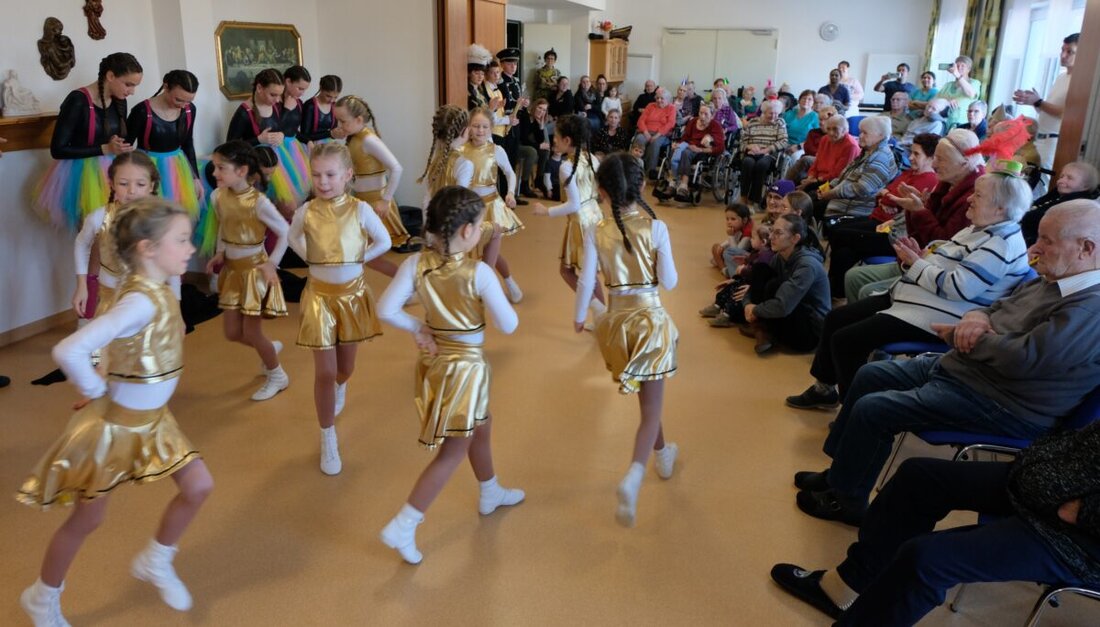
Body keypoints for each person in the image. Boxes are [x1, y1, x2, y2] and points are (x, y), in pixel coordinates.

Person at [793, 198, 1100, 525]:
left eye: (1047, 241)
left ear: (1086, 248)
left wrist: (968, 337)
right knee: (871, 374)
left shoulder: (1089, 307)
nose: (1035, 247)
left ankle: (847, 501)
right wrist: (975, 317)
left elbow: (1025, 358)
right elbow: (996, 306)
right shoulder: (1053, 279)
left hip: (1006, 403)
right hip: (973, 372)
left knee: (875, 408)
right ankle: (841, 474)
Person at [18, 197, 213, 625]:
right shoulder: (138, 301)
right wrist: (95, 387)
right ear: (147, 249)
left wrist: (106, 373)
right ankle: (41, 596)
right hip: (114, 428)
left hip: (154, 421)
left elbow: (115, 344)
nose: (190, 248)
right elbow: (69, 348)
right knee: (88, 520)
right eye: (180, 240)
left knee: (198, 486)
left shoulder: (152, 289)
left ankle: (156, 559)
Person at [773, 423, 1100, 626]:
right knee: (918, 477)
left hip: (1078, 539)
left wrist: (1083, 512)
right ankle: (848, 587)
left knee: (926, 561)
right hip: (1043, 483)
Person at [789, 164, 1032, 409]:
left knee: (846, 340)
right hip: (916, 299)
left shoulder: (1001, 244)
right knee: (836, 319)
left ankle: (854, 409)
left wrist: (916, 264)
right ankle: (824, 390)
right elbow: (942, 263)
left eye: (978, 195)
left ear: (1000, 208)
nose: (970, 198)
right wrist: (917, 260)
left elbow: (958, 287)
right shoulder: (980, 229)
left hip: (939, 315)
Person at [376, 186, 523, 565]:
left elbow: (385, 309)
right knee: (453, 450)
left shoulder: (415, 265)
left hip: (436, 363)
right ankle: (405, 522)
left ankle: (489, 490)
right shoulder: (480, 273)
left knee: (482, 423)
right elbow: (509, 325)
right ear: (467, 231)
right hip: (466, 367)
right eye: (478, 225)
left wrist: (419, 329)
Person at [575, 152, 680, 527]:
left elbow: (587, 282)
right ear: (643, 186)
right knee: (651, 407)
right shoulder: (656, 228)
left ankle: (664, 451)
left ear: (601, 191)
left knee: (647, 395)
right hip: (649, 322)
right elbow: (669, 283)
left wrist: (577, 318)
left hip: (616, 324)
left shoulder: (595, 230)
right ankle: (635, 473)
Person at [288, 143, 391, 475]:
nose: (323, 181)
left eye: (331, 174)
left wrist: (361, 258)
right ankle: (327, 435)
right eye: (316, 175)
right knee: (324, 372)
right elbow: (293, 238)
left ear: (348, 175)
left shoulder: (360, 210)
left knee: (345, 369)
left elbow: (384, 241)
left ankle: (341, 385)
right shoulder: (306, 212)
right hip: (318, 297)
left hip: (352, 296)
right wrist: (313, 257)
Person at [204, 140, 290, 402]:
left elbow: (285, 231)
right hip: (232, 270)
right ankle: (269, 349)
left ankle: (277, 375)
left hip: (255, 271)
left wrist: (271, 263)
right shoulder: (217, 196)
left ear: (241, 171)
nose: (214, 173)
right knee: (232, 333)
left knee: (252, 332)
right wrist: (220, 252)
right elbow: (223, 226)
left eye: (221, 168)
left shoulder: (259, 202)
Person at [34, 52, 143, 230]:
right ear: (110, 76)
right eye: (128, 84)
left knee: (114, 235)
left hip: (113, 173)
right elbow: (58, 149)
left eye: (135, 86)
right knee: (94, 237)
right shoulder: (77, 100)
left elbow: (114, 137)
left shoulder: (119, 100)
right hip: (81, 177)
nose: (132, 91)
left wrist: (118, 145)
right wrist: (105, 148)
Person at [823, 133, 942, 292]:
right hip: (878, 219)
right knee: (843, 247)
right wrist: (887, 197)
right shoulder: (909, 173)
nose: (910, 157)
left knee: (838, 233)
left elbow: (895, 200)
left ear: (930, 158)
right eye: (911, 152)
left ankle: (829, 287)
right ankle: (834, 290)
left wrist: (888, 198)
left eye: (916, 154)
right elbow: (884, 193)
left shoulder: (929, 181)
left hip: (893, 232)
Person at [73, 152, 170, 323]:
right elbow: (81, 244)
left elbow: (171, 263)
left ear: (151, 186)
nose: (132, 191)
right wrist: (82, 284)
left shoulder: (160, 220)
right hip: (110, 297)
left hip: (147, 300)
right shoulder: (99, 217)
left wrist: (175, 302)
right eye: (123, 184)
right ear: (112, 184)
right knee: (108, 347)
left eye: (140, 184)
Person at [532, 114, 606, 324]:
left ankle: (600, 311)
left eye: (556, 136)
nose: (553, 139)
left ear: (567, 140)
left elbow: (573, 204)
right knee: (590, 273)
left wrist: (545, 211)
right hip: (595, 215)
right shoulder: (591, 158)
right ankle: (602, 317)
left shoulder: (566, 168)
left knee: (567, 271)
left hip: (581, 221)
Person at [335, 95, 410, 272]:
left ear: (359, 120)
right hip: (363, 201)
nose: (339, 126)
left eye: (342, 121)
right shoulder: (355, 136)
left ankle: (407, 284)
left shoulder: (369, 140)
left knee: (369, 255)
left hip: (376, 203)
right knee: (365, 255)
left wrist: (386, 200)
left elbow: (397, 168)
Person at [457, 108, 525, 304]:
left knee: (488, 255)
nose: (480, 130)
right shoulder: (460, 151)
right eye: (476, 126)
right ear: (468, 127)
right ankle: (508, 281)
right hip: (469, 209)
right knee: (473, 251)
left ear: (491, 128)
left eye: (484, 127)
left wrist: (510, 193)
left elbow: (510, 173)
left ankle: (486, 293)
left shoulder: (496, 150)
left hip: (492, 207)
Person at [742, 214, 830, 354]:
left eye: (778, 233)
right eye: (772, 231)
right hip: (792, 311)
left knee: (775, 286)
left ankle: (762, 329)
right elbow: (757, 283)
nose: (771, 237)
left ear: (795, 238)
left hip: (809, 333)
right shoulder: (780, 256)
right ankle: (760, 328)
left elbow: (784, 306)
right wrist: (747, 304)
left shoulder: (807, 265)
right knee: (760, 269)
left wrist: (755, 310)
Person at [125, 70, 203, 217]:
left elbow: (187, 143)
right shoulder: (142, 111)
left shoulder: (189, 110)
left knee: (176, 215)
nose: (183, 105)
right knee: (152, 216)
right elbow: (126, 147)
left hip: (178, 168)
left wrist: (195, 178)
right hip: (148, 168)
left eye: (189, 101)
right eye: (178, 100)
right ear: (166, 87)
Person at [1013, 32, 1079, 187]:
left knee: (1043, 182)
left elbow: (1066, 114)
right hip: (1041, 136)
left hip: (1054, 140)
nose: (1063, 55)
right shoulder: (1061, 77)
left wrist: (1039, 101)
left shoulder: (1079, 81)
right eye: (1062, 50)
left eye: (1070, 52)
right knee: (1030, 178)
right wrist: (1035, 103)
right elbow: (1048, 112)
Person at [819, 116, 899, 228]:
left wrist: (832, 193)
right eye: (860, 132)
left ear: (880, 135)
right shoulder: (868, 151)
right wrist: (829, 187)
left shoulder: (881, 157)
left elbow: (862, 188)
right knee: (807, 200)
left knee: (806, 206)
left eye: (865, 133)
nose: (860, 136)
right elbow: (845, 175)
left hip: (854, 210)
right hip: (841, 200)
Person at [1021, 160, 1100, 245]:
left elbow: (1040, 219)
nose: (1062, 180)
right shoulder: (1058, 194)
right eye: (1061, 176)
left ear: (1085, 186)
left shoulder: (1077, 205)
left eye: (1069, 178)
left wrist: (1020, 214)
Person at [272, 65, 313, 205]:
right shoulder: (275, 102)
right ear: (288, 82)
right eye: (300, 88)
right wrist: (287, 110)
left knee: (298, 190)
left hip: (294, 148)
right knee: (281, 193)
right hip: (278, 149)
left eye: (304, 89)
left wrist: (307, 141)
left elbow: (293, 130)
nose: (302, 93)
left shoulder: (299, 103)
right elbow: (274, 128)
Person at [667, 103, 725, 197]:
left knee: (686, 153)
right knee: (675, 150)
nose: (702, 116)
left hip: (703, 151)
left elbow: (720, 148)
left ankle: (684, 185)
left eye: (706, 114)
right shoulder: (693, 121)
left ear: (712, 115)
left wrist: (700, 150)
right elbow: (685, 138)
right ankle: (673, 182)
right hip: (689, 146)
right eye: (700, 113)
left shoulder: (715, 126)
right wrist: (678, 144)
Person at [738, 100, 788, 207]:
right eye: (771, 113)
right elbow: (742, 142)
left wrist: (767, 150)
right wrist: (748, 146)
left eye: (776, 113)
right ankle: (743, 197)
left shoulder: (780, 123)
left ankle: (753, 200)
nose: (774, 116)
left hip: (769, 154)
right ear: (764, 112)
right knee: (747, 163)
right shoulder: (753, 122)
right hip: (751, 152)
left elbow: (784, 141)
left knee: (761, 165)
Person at [799, 114, 859, 195]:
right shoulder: (825, 139)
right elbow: (817, 162)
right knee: (796, 186)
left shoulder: (851, 146)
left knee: (809, 195)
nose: (831, 133)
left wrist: (815, 180)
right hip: (817, 179)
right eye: (828, 129)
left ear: (845, 130)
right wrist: (810, 177)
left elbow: (838, 174)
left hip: (833, 182)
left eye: (835, 129)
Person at [633, 87, 676, 177]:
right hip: (646, 132)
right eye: (657, 98)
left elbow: (670, 124)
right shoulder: (650, 106)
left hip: (662, 135)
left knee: (655, 143)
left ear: (667, 99)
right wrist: (646, 133)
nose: (659, 100)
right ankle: (634, 167)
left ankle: (650, 171)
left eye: (662, 98)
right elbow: (641, 121)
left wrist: (657, 135)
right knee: (639, 139)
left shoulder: (671, 108)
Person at [517, 98, 551, 196]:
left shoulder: (536, 121)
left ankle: (539, 179)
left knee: (545, 151)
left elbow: (540, 140)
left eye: (544, 110)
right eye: (540, 108)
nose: (541, 111)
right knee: (532, 151)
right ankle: (524, 184)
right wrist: (539, 145)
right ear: (534, 106)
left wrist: (541, 125)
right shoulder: (525, 117)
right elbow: (523, 139)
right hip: (517, 146)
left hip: (525, 146)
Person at [709, 203, 752, 278]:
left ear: (744, 220)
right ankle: (725, 267)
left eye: (733, 219)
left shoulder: (748, 233)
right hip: (737, 256)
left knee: (722, 254)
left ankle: (724, 270)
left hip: (744, 260)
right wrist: (721, 247)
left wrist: (730, 236)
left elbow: (736, 252)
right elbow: (731, 242)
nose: (729, 222)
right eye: (727, 219)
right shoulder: (739, 228)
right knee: (716, 247)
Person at [298, 74, 343, 145]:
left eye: (335, 97)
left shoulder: (334, 105)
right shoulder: (310, 105)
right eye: (328, 96)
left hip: (328, 146)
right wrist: (330, 133)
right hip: (311, 146)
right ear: (321, 88)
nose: (331, 100)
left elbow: (333, 132)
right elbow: (304, 135)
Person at [938, 55, 982, 128]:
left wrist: (957, 74)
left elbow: (971, 93)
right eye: (957, 66)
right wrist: (946, 101)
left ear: (968, 69)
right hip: (943, 122)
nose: (959, 68)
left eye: (962, 66)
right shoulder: (948, 85)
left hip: (962, 123)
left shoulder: (974, 83)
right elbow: (935, 100)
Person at [782, 90, 820, 154]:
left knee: (795, 157)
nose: (806, 101)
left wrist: (799, 147)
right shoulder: (788, 113)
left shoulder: (816, 117)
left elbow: (816, 139)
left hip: (801, 148)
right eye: (804, 98)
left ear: (813, 103)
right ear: (799, 100)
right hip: (783, 144)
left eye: (809, 99)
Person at [466, 44, 493, 110]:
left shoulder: (480, 90)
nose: (480, 77)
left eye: (482, 74)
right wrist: (491, 108)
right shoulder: (468, 93)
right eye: (477, 73)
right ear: (469, 73)